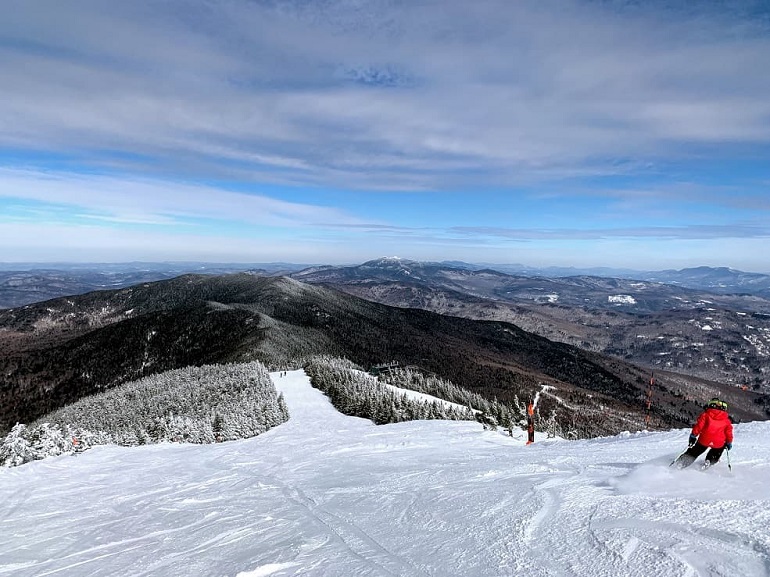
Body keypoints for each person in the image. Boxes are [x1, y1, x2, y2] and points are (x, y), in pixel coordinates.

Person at [673, 398, 733, 469]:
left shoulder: (705, 415)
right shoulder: (726, 421)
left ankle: (681, 463)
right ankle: (710, 461)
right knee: (717, 451)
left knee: (695, 451)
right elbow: (729, 433)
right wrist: (729, 442)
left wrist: (693, 436)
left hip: (704, 439)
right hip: (718, 442)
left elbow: (698, 427)